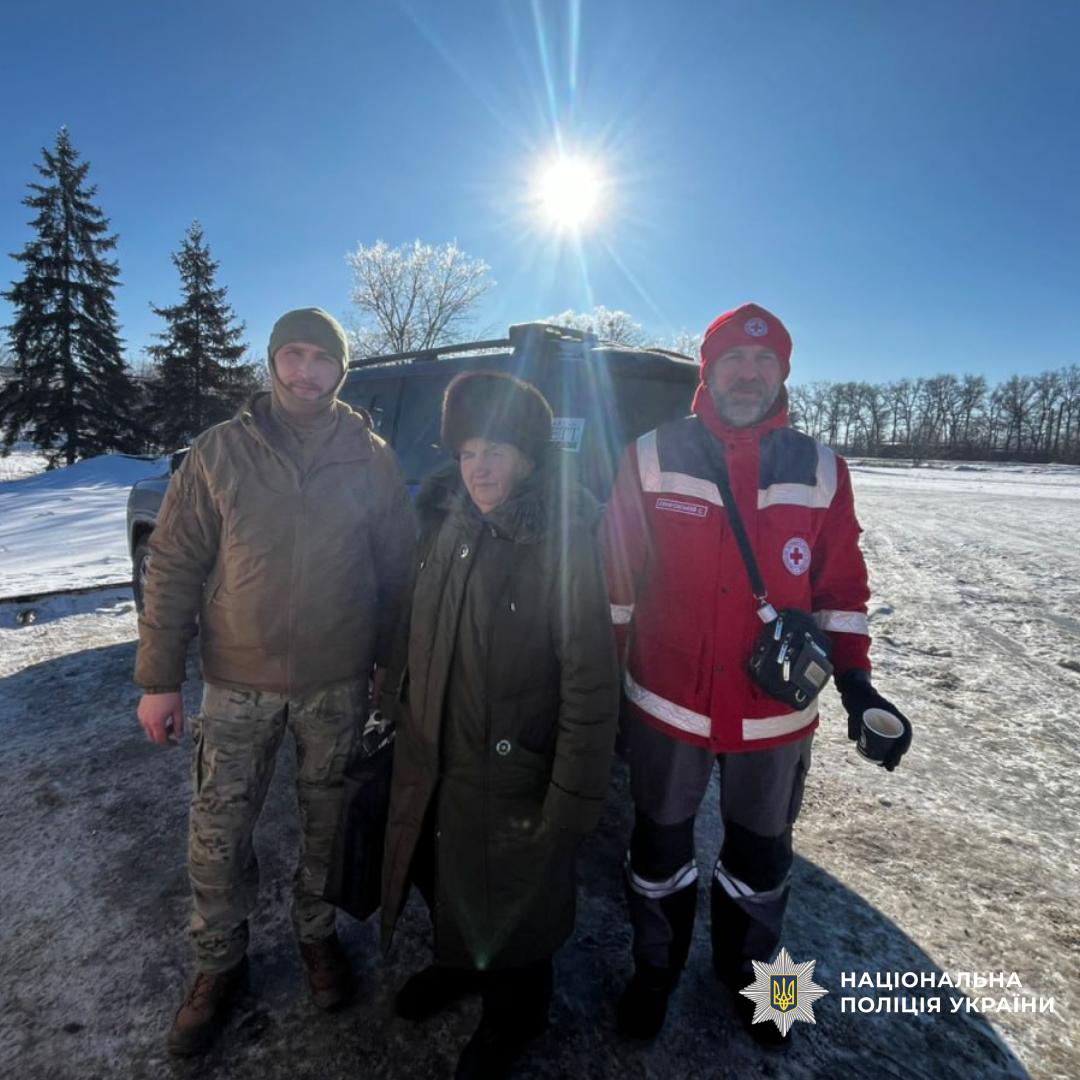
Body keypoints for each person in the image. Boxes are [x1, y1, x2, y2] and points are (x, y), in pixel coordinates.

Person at [602, 302, 912, 1047]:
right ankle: (654, 974)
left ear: (782, 374)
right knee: (658, 853)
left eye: (764, 361)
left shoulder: (822, 467)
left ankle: (765, 989)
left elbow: (842, 592)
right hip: (666, 703)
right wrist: (602, 688)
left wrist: (857, 683)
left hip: (775, 717)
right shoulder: (649, 454)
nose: (748, 373)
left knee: (764, 862)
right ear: (708, 370)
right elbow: (614, 582)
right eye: (734, 361)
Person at [135, 307, 414, 1057]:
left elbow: (397, 572)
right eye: (293, 354)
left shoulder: (371, 458)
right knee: (217, 835)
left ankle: (317, 938)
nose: (306, 371)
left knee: (329, 830)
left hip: (338, 684)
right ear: (271, 362)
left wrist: (391, 670)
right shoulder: (220, 453)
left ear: (341, 372)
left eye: (323, 359)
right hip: (237, 683)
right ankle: (219, 964)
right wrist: (159, 678)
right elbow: (172, 564)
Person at [380, 371, 620, 1080]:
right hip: (437, 749)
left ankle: (517, 1012)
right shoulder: (445, 526)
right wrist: (395, 700)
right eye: (468, 452)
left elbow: (589, 675)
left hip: (517, 765)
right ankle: (459, 965)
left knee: (517, 894)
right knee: (445, 868)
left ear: (529, 458)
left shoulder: (561, 542)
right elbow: (413, 620)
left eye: (498, 452)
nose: (480, 469)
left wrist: (573, 793)